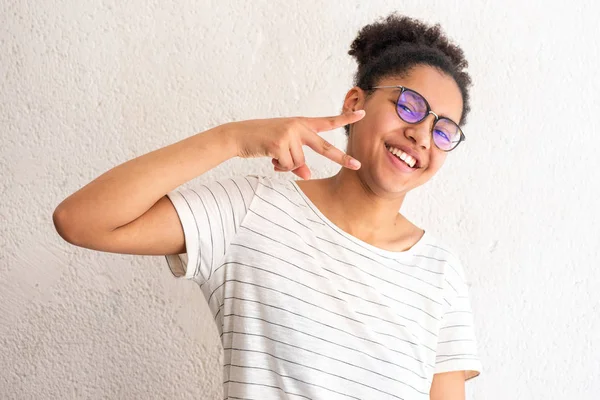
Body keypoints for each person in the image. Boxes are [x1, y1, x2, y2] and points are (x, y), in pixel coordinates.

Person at [53, 12, 482, 400]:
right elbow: (80, 220)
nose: (422, 136)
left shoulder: (439, 271)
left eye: (443, 131)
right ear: (356, 104)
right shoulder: (254, 210)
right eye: (409, 106)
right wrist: (233, 138)